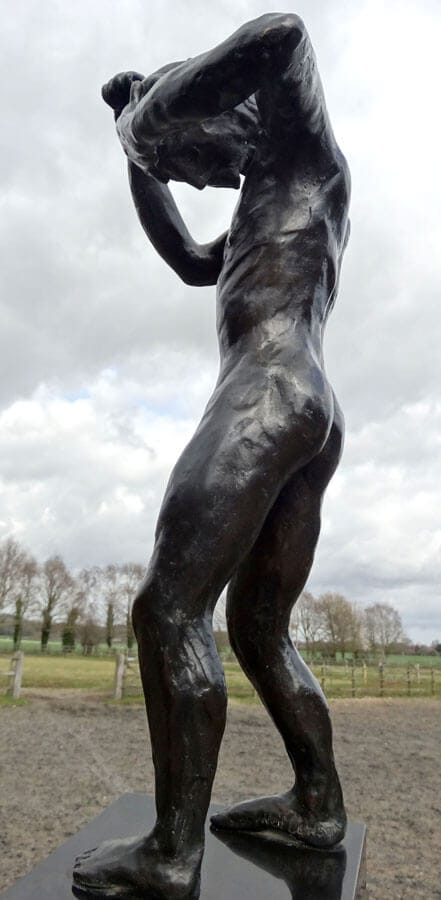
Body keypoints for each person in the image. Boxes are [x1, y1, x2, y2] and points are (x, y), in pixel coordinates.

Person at [73, 13, 351, 899]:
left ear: (220, 122)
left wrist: (144, 117)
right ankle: (315, 804)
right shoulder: (260, 214)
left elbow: (281, 33)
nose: (198, 179)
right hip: (308, 405)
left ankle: (171, 853)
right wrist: (136, 157)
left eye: (193, 163)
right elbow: (190, 264)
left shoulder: (299, 155)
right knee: (256, 629)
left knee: (167, 608)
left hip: (269, 391)